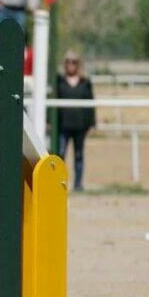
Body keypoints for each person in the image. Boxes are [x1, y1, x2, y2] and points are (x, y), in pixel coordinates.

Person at [55, 50, 96, 192]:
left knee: (79, 155)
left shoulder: (85, 83)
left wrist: (92, 123)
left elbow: (91, 104)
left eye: (73, 62)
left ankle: (78, 184)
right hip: (63, 125)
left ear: (78, 65)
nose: (70, 65)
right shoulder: (59, 82)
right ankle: (59, 183)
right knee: (60, 154)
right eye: (68, 62)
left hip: (80, 126)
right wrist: (50, 121)